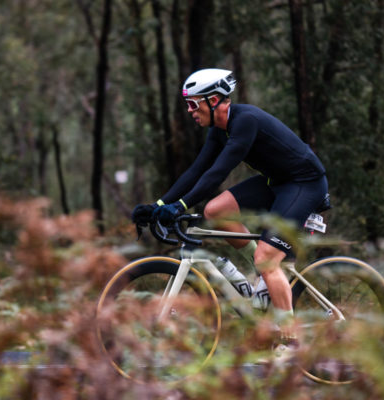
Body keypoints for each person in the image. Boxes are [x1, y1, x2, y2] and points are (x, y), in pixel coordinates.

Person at [131, 68, 328, 356]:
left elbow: (217, 173)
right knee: (215, 210)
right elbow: (197, 170)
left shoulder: (245, 121)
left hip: (304, 183)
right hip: (277, 183)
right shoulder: (218, 130)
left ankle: (290, 341)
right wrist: (159, 205)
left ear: (212, 100)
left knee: (266, 258)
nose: (189, 110)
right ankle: (261, 287)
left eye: (192, 103)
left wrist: (182, 206)